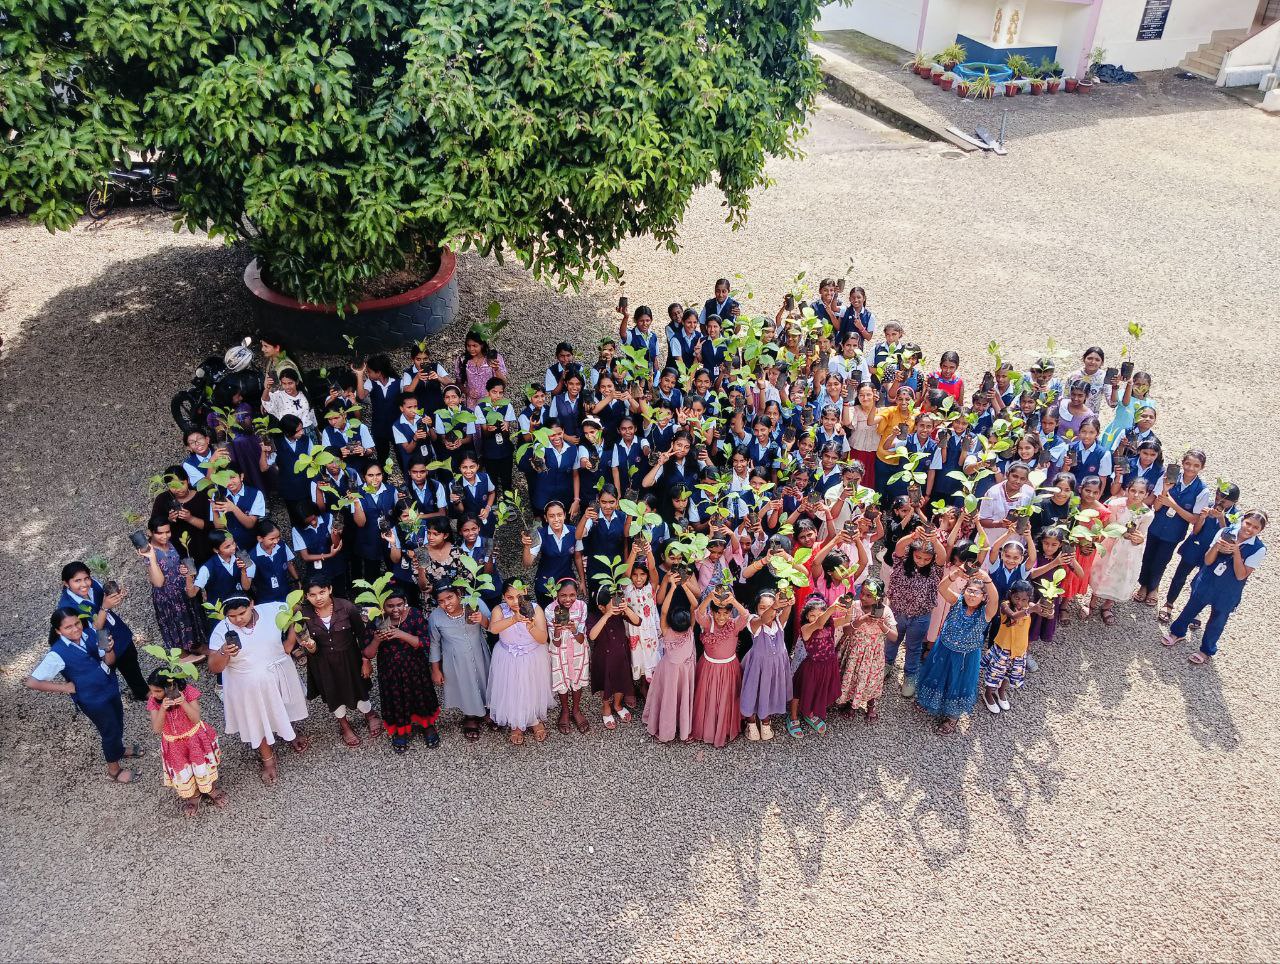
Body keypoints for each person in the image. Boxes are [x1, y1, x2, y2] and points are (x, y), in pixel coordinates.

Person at [24, 608, 144, 784]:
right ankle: (114, 770)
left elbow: (109, 662)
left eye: (77, 623)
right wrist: (65, 687)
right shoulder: (57, 653)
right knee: (109, 730)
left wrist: (109, 649)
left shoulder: (93, 633)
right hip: (92, 699)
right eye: (68, 627)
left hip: (110, 687)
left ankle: (118, 749)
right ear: (58, 631)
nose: (75, 629)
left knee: (118, 721)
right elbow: (32, 682)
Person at [207, 595, 310, 785]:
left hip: (277, 670)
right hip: (247, 686)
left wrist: (290, 640)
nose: (238, 619)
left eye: (242, 613)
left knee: (283, 705)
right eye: (232, 616)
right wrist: (223, 652)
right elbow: (214, 667)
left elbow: (296, 609)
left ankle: (289, 733)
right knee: (257, 719)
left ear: (252, 604)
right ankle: (268, 759)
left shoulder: (273, 609)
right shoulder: (222, 630)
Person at [1163, 511, 1267, 665]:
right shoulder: (1225, 532)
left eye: (1255, 527)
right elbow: (1207, 560)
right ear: (1242, 520)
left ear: (1260, 530)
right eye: (1248, 523)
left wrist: (1236, 552)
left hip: (1229, 589)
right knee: (1191, 607)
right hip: (1208, 580)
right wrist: (1217, 546)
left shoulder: (1258, 549)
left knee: (1218, 620)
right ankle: (1177, 632)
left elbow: (1241, 575)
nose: (1249, 529)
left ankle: (1206, 650)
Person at [299, 578, 381, 746]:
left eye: (322, 592)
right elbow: (309, 648)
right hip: (322, 664)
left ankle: (370, 714)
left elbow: (362, 635)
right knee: (333, 693)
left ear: (330, 589)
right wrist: (311, 647)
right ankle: (344, 725)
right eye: (312, 595)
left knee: (358, 687)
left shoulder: (347, 607)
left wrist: (366, 660)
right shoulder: (303, 615)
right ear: (306, 596)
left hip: (350, 660)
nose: (318, 598)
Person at [915, 570, 999, 734]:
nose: (972, 595)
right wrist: (955, 574)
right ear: (964, 591)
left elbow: (995, 599)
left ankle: (952, 717)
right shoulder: (957, 601)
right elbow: (942, 588)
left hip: (965, 657)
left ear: (984, 597)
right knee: (937, 674)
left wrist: (987, 580)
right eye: (969, 590)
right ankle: (929, 701)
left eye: (977, 592)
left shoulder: (986, 613)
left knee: (958, 682)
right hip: (944, 648)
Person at [361, 588, 440, 752]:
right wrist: (376, 640)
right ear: (382, 606)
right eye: (390, 606)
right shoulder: (377, 619)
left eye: (399, 604)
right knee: (395, 699)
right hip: (390, 671)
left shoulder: (414, 615)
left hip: (415, 668)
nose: (396, 609)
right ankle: (401, 730)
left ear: (405, 603)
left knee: (421, 696)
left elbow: (425, 642)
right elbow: (368, 653)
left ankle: (427, 725)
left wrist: (400, 634)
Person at [58, 561, 148, 701]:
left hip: (117, 632)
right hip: (97, 639)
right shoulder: (67, 607)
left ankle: (142, 692)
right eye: (77, 581)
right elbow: (94, 629)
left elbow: (105, 597)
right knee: (107, 670)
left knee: (130, 662)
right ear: (66, 583)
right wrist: (105, 607)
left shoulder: (93, 584)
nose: (84, 584)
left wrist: (115, 597)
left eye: (86, 578)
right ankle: (110, 701)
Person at [145, 669, 225, 816]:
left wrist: (183, 702)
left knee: (202, 766)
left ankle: (210, 788)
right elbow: (157, 729)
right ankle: (194, 795)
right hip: (174, 744)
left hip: (194, 738)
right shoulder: (154, 701)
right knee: (184, 771)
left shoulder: (187, 692)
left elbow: (195, 718)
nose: (153, 694)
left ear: (169, 688)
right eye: (152, 691)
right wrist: (162, 708)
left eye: (157, 691)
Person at [487, 584, 553, 745]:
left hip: (533, 655)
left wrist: (531, 628)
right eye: (510, 597)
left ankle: (534, 719)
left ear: (526, 592)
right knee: (511, 688)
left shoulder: (535, 609)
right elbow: (493, 629)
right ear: (504, 597)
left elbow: (543, 639)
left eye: (519, 596)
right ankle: (516, 723)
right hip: (507, 656)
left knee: (532, 687)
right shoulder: (499, 609)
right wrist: (513, 619)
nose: (515, 601)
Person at [428, 584, 492, 741]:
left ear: (458, 594)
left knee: (484, 680)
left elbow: (493, 627)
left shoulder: (474, 603)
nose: (446, 603)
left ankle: (487, 710)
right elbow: (434, 644)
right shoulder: (435, 617)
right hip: (455, 660)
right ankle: (470, 715)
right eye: (441, 601)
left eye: (449, 597)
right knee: (465, 685)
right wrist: (435, 669)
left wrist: (482, 619)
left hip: (479, 652)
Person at [644, 574, 700, 743]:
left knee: (668, 698)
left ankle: (664, 729)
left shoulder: (666, 631)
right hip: (686, 672)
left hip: (668, 671)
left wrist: (673, 588)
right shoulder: (690, 630)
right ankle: (683, 728)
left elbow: (664, 611)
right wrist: (684, 586)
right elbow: (695, 605)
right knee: (683, 697)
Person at [1088, 479, 1152, 624]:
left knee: (1120, 576)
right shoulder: (1116, 504)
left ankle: (1108, 605)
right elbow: (1110, 526)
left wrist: (1138, 539)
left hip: (1128, 551)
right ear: (1127, 490)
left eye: (1141, 492)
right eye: (1133, 490)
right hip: (1111, 543)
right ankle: (1092, 601)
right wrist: (1122, 533)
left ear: (1146, 494)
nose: (1136, 495)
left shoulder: (1147, 514)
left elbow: (1142, 534)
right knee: (1101, 571)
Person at [690, 589, 749, 747]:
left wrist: (733, 600)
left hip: (729, 669)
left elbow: (745, 616)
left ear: (730, 613)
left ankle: (725, 728)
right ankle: (707, 729)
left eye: (726, 613)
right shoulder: (708, 623)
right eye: (718, 613)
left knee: (726, 700)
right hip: (708, 668)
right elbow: (698, 614)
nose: (721, 617)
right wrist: (709, 597)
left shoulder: (734, 625)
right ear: (712, 611)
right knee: (707, 699)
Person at [788, 597, 852, 736]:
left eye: (820, 614)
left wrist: (849, 607)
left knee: (816, 690)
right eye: (812, 615)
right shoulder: (806, 628)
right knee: (798, 691)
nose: (817, 618)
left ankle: (809, 713)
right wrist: (831, 609)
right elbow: (818, 623)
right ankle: (793, 717)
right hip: (811, 667)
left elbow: (847, 619)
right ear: (806, 617)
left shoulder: (830, 624)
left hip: (828, 665)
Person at [138, 516, 202, 653]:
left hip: (182, 588)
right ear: (150, 532)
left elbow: (175, 564)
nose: (165, 536)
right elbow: (158, 582)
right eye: (159, 533)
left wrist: (182, 569)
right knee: (175, 623)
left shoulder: (171, 544)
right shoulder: (149, 551)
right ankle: (181, 654)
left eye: (167, 532)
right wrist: (152, 558)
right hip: (167, 595)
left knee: (189, 618)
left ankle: (194, 646)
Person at [837, 578, 897, 722]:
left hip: (873, 654)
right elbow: (846, 630)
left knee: (871, 679)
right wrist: (861, 620)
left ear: (879, 597)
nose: (863, 597)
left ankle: (871, 704)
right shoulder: (855, 606)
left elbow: (894, 637)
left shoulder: (885, 611)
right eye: (862, 593)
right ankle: (850, 702)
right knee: (851, 676)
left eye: (869, 595)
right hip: (853, 650)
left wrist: (882, 625)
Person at [740, 589, 795, 741]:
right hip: (758, 668)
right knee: (753, 693)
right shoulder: (754, 622)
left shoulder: (779, 621)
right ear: (756, 609)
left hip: (776, 668)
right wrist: (774, 606)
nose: (767, 611)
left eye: (771, 607)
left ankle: (765, 721)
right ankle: (751, 722)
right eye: (762, 607)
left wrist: (789, 602)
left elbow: (786, 611)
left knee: (769, 693)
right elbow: (764, 618)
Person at [587, 589, 640, 731]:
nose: (616, 606)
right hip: (603, 657)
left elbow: (637, 621)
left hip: (621, 654)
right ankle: (606, 707)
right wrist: (607, 615)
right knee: (605, 683)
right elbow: (592, 636)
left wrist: (626, 609)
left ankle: (617, 704)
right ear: (601, 607)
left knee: (621, 680)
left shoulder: (620, 613)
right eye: (613, 604)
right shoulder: (593, 616)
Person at [544, 579, 590, 733]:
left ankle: (576, 709)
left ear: (577, 594)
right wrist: (557, 630)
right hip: (559, 651)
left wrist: (574, 629)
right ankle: (565, 710)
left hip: (578, 649)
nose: (568, 599)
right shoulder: (550, 610)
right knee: (562, 680)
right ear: (556, 594)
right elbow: (556, 643)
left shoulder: (582, 606)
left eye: (572, 595)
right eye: (563, 595)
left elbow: (581, 639)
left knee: (577, 679)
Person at [981, 579, 1033, 715]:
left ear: (1029, 599)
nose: (1020, 602)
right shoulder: (1005, 605)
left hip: (1019, 651)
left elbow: (1048, 614)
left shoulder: (1029, 607)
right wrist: (1031, 610)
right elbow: (1013, 615)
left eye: (1024, 599)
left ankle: (1001, 691)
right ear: (1010, 594)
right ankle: (988, 693)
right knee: (995, 673)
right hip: (1002, 649)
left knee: (1009, 674)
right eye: (1017, 598)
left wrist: (1047, 607)